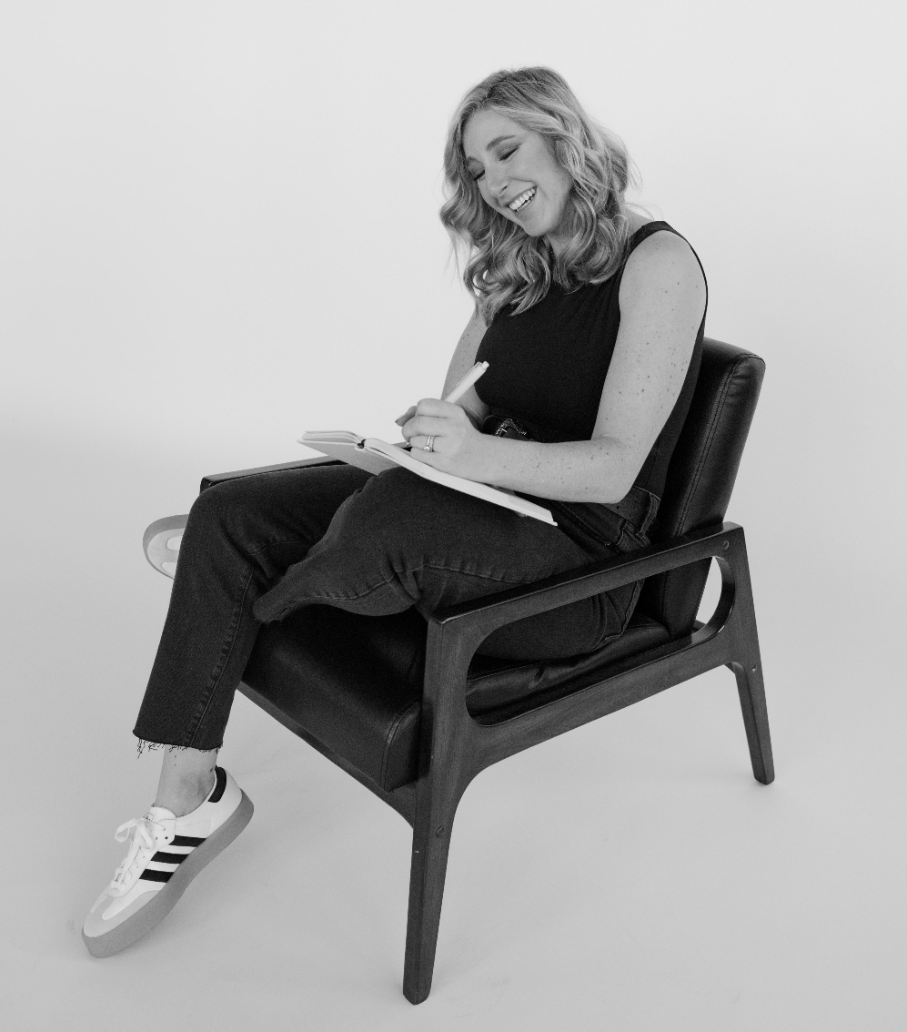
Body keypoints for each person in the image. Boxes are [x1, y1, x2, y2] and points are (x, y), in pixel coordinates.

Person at [82, 66, 708, 957]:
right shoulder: (517, 266)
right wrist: (429, 436)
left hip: (581, 561)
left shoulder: (658, 264)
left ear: (564, 138)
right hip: (485, 502)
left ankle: (251, 590)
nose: (494, 182)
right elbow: (467, 404)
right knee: (229, 511)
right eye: (477, 169)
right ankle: (187, 801)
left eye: (507, 151)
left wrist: (471, 455)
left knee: (387, 529)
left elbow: (613, 472)